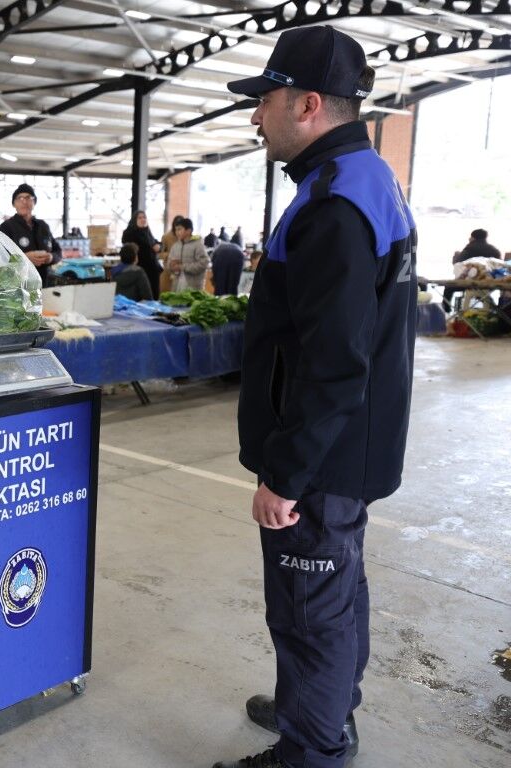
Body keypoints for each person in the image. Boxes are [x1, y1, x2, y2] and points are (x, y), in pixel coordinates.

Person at [218, 25, 417, 768]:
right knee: (336, 590)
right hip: (351, 446)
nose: (254, 116)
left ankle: (313, 745)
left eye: (262, 100)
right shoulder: (363, 180)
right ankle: (324, 704)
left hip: (323, 457)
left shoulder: (334, 203)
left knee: (309, 606)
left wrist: (286, 473)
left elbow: (335, 361)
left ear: (305, 105)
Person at [0, 183, 61, 286]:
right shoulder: (6, 227)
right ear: (14, 204)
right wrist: (23, 258)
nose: (24, 201)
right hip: (19, 286)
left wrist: (51, 257)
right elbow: (0, 258)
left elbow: (58, 252)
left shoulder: (43, 226)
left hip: (45, 283)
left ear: (34, 202)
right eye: (19, 198)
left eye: (28, 197)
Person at [121, 210, 163, 299]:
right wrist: (151, 247)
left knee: (154, 295)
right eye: (140, 218)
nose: (143, 219)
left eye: (144, 217)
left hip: (152, 270)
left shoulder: (147, 232)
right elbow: (132, 249)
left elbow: (155, 242)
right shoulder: (129, 233)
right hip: (139, 269)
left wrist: (158, 246)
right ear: (134, 220)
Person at [166, 216, 209, 291]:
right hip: (177, 286)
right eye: (176, 230)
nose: (177, 232)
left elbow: (204, 263)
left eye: (179, 229)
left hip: (193, 287)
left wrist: (183, 267)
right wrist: (171, 266)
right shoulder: (175, 246)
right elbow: (169, 263)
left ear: (188, 231)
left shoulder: (198, 244)